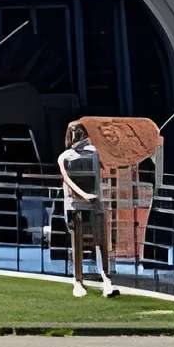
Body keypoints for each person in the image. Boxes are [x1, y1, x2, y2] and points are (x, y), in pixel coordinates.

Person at [55, 125, 115, 299]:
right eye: (75, 135)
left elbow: (98, 172)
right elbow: (68, 180)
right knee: (77, 244)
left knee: (101, 241)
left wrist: (92, 196)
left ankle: (106, 279)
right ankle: (78, 280)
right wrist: (84, 196)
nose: (78, 138)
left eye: (80, 134)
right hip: (75, 204)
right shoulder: (64, 157)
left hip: (95, 203)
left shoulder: (93, 153)